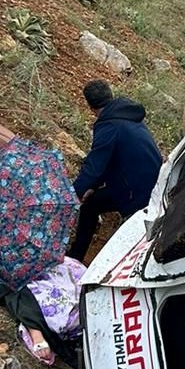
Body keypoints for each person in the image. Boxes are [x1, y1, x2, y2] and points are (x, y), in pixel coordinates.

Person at [68, 80, 163, 262]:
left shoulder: (109, 126)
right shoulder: (127, 115)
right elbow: (109, 159)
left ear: (89, 106)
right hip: (153, 181)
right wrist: (92, 187)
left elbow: (94, 167)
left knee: (91, 207)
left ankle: (79, 258)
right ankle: (78, 254)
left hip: (136, 190)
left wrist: (72, 195)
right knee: (92, 203)